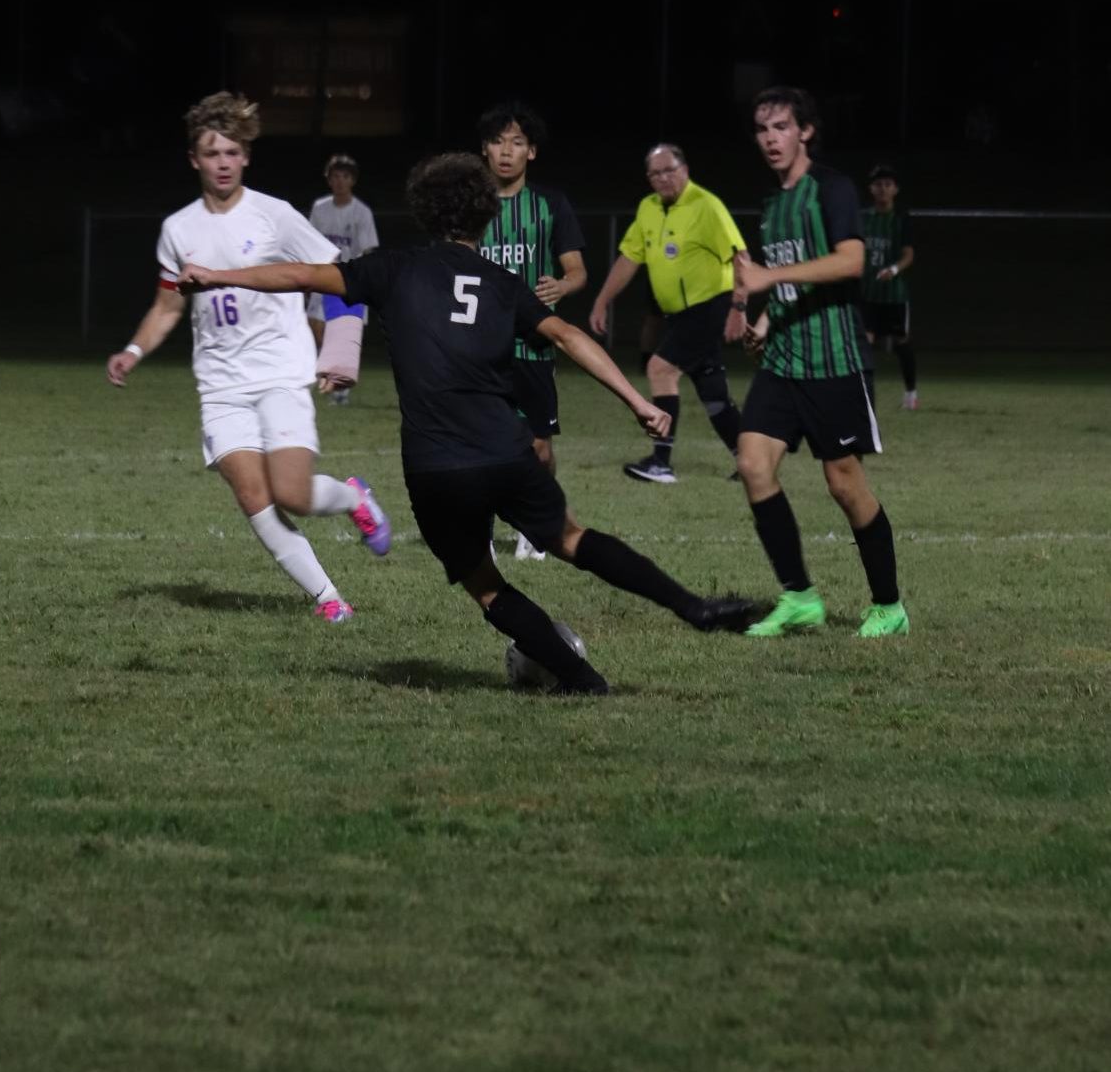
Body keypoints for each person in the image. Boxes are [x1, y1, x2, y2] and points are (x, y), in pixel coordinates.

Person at [175, 153, 765, 696]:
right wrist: (635, 400)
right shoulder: (502, 285)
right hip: (506, 451)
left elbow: (300, 275)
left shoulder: (393, 269)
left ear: (424, 210)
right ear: (485, 215)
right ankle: (692, 607)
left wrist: (221, 276)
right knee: (571, 539)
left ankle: (583, 681)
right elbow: (566, 334)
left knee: (486, 585)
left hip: (436, 468)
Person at [105, 92, 391, 625]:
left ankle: (353, 499)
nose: (223, 163)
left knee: (292, 492)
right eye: (212, 153)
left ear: (246, 157)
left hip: (281, 373)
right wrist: (133, 349)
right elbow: (168, 304)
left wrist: (340, 353)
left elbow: (341, 280)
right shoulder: (179, 229)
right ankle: (329, 598)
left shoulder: (274, 217)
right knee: (253, 494)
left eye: (232, 152)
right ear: (195, 159)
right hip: (220, 386)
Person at [732, 88, 909, 640]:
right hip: (785, 361)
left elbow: (851, 260)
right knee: (754, 463)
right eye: (762, 129)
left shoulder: (830, 188)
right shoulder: (771, 205)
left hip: (835, 360)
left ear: (804, 131)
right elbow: (785, 281)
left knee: (844, 484)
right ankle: (799, 596)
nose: (770, 138)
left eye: (781, 127)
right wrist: (762, 323)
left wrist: (765, 279)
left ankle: (889, 606)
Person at [588, 144, 747, 485]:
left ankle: (660, 461)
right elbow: (629, 258)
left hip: (709, 306)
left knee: (659, 368)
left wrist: (739, 306)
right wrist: (602, 301)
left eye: (669, 170)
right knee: (712, 390)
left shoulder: (706, 205)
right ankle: (750, 460)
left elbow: (740, 257)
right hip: (679, 314)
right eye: (655, 173)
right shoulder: (648, 208)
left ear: (685, 170)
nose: (662, 179)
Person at [475, 100, 587, 559]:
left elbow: (577, 270)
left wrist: (561, 286)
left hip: (533, 345)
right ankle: (478, 528)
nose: (506, 151)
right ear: (485, 149)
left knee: (537, 446)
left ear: (531, 153)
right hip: (480, 346)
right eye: (499, 142)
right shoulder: (470, 206)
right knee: (479, 440)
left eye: (517, 143)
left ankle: (536, 526)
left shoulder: (550, 205)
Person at [307, 152, 380, 405]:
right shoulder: (320, 208)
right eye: (335, 176)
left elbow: (369, 248)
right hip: (323, 275)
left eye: (344, 176)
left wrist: (365, 279)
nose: (339, 181)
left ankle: (340, 386)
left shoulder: (361, 212)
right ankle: (330, 372)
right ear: (329, 179)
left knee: (341, 331)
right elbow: (311, 241)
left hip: (350, 279)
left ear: (353, 180)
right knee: (316, 326)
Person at [861, 164, 919, 409]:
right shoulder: (862, 218)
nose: (882, 189)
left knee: (901, 343)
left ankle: (910, 394)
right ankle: (862, 395)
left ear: (895, 189)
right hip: (868, 294)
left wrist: (894, 269)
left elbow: (908, 254)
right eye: (878, 185)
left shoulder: (901, 220)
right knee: (864, 343)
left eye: (887, 184)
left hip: (894, 295)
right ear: (871, 189)